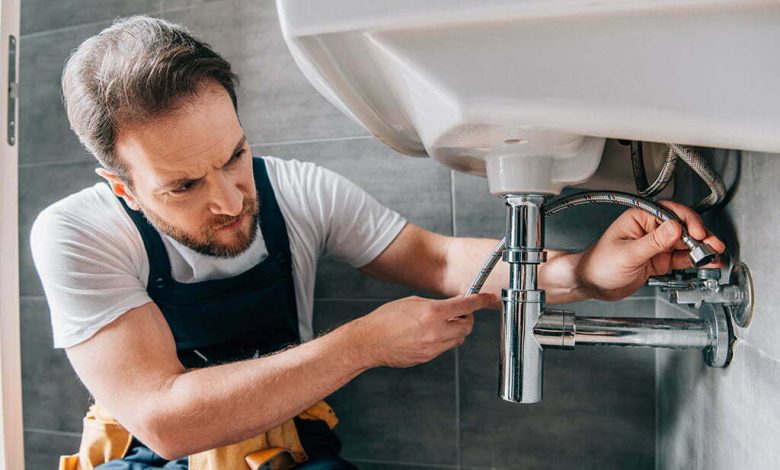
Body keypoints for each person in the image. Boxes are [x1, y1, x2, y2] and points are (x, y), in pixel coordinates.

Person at [31, 16, 725, 470]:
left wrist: (588, 271)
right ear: (122, 187)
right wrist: (364, 344)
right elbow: (164, 418)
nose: (229, 198)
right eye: (183, 186)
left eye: (234, 156)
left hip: (286, 451)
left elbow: (439, 259)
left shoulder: (296, 190)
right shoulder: (77, 233)